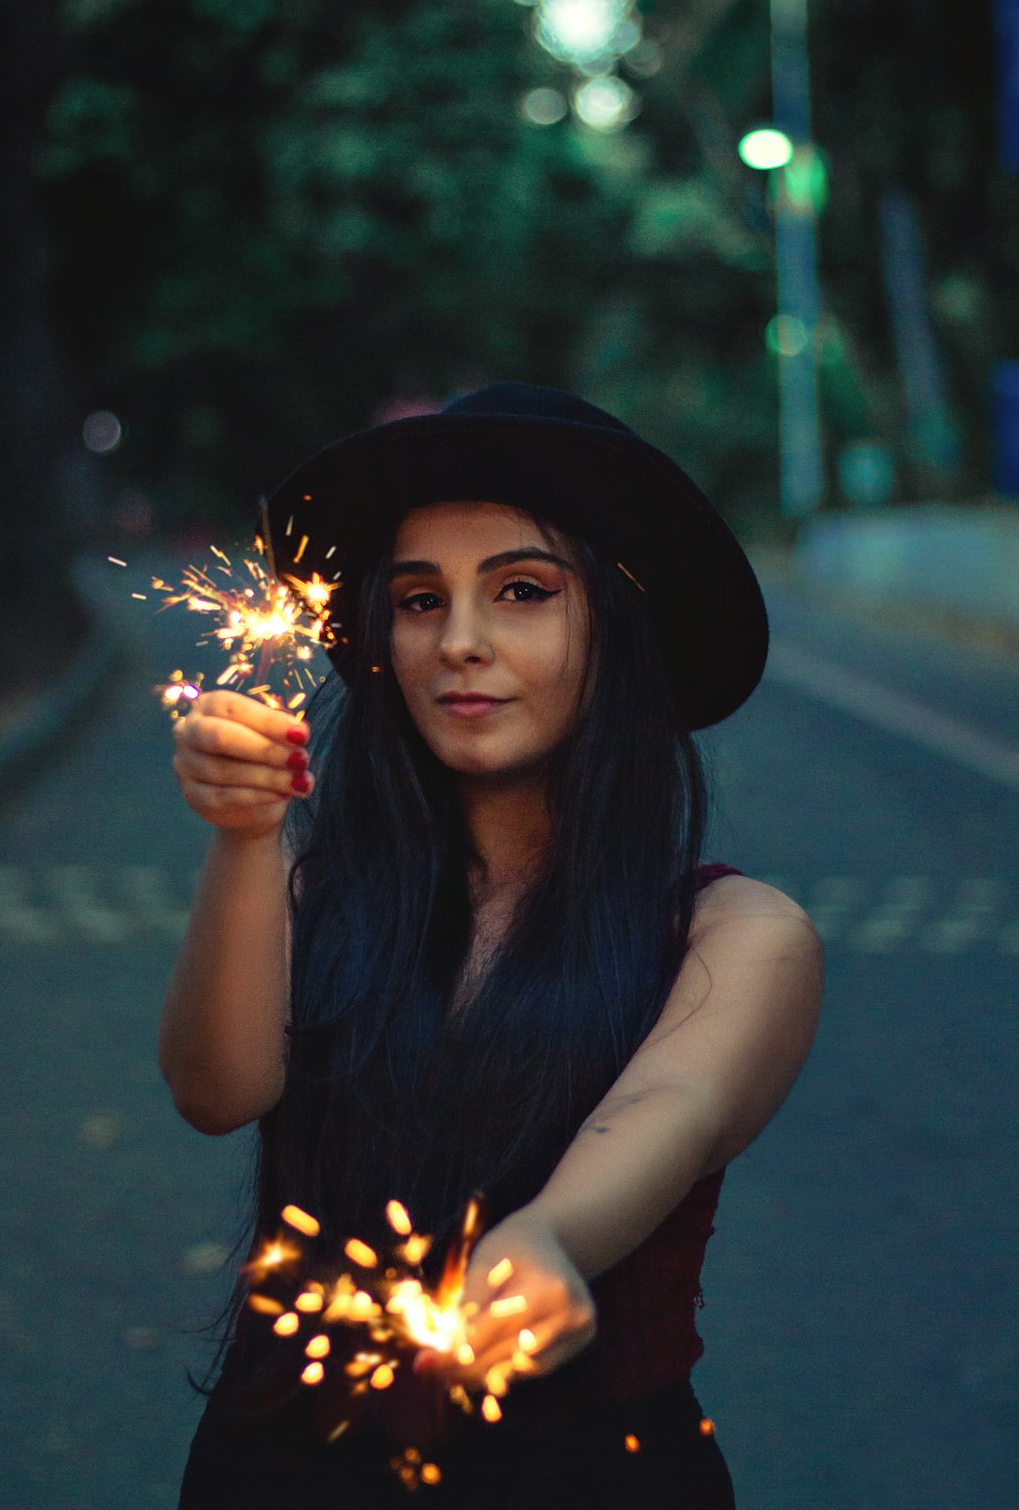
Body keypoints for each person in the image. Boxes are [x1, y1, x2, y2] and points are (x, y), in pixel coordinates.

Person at [161, 384, 823, 1509]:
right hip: (277, 1465)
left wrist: (554, 1239)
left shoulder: (735, 932)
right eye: (419, 601)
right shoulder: (309, 885)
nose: (459, 641)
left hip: (588, 1475)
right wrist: (244, 842)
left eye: (521, 591)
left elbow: (672, 1109)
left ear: (622, 623)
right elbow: (218, 1093)